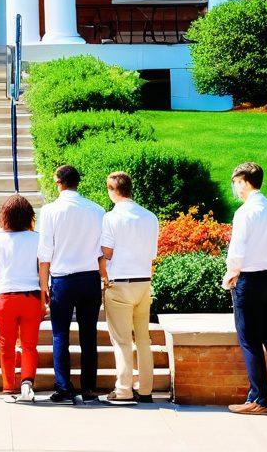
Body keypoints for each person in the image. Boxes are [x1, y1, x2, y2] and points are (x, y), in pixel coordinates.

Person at [222, 161, 267, 415]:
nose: (235, 188)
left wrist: (231, 274)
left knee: (249, 340)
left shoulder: (245, 213)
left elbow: (237, 250)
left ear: (243, 181)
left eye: (236, 183)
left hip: (248, 281)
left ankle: (260, 399)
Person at [37, 164, 105, 404]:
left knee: (60, 334)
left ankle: (64, 387)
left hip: (63, 279)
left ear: (59, 183)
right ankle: (88, 388)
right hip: (89, 278)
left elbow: (45, 252)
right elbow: (101, 251)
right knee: (89, 335)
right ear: (78, 182)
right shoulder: (97, 210)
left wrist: (43, 285)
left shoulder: (50, 211)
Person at [99, 171, 159, 405]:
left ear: (113, 189)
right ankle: (145, 389)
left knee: (122, 340)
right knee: (143, 339)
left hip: (120, 283)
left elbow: (108, 252)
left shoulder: (111, 218)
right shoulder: (150, 217)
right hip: (144, 282)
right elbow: (152, 253)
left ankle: (123, 389)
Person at [0, 194, 42, 403]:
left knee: (6, 344)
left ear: (4, 216)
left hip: (5, 296)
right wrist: (44, 294)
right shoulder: (37, 238)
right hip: (32, 296)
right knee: (29, 344)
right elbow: (44, 267)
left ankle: (8, 388)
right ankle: (27, 381)